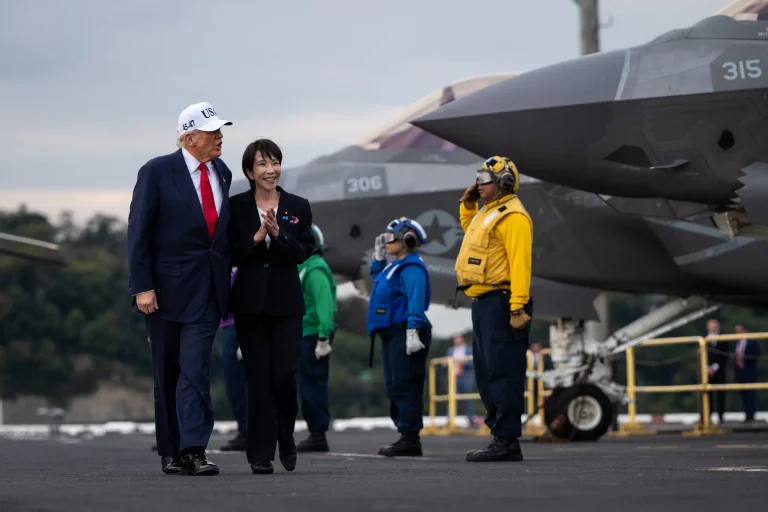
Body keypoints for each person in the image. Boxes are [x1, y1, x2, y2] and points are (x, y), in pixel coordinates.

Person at [127, 101, 233, 476]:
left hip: (207, 291)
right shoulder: (156, 171)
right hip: (164, 293)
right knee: (166, 373)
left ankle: (194, 449)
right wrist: (142, 286)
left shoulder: (223, 172)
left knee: (195, 370)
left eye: (221, 130)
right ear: (189, 137)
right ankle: (171, 451)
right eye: (213, 132)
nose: (221, 137)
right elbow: (138, 231)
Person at [228, 138, 315, 475]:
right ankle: (260, 454)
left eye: (275, 162)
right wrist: (256, 237)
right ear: (250, 171)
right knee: (258, 380)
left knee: (283, 376)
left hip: (286, 305)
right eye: (262, 164)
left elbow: (303, 252)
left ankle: (286, 436)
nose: (271, 170)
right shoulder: (236, 207)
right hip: (250, 306)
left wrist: (279, 235)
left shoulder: (298, 205)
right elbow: (230, 252)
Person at [455, 155, 533, 463]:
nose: (478, 184)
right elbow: (469, 229)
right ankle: (499, 435)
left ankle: (508, 440)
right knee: (487, 375)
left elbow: (520, 264)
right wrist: (468, 203)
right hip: (483, 304)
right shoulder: (487, 213)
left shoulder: (513, 217)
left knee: (503, 373)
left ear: (504, 183)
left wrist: (517, 307)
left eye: (484, 180)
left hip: (503, 303)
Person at [366, 217, 432, 457]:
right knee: (395, 384)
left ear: (407, 240)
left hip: (405, 330)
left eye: (390, 237)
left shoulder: (412, 267)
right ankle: (405, 434)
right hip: (393, 332)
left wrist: (413, 330)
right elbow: (379, 279)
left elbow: (415, 300)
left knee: (405, 383)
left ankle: (410, 437)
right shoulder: (396, 265)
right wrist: (378, 258)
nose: (386, 241)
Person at [295, 224, 337, 452]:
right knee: (306, 385)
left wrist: (323, 337)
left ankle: (318, 434)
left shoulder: (315, 269)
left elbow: (324, 306)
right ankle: (315, 431)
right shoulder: (304, 267)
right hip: (304, 334)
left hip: (313, 335)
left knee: (314, 385)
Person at [218, 267, 248, 451]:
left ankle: (247, 429)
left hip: (239, 327)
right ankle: (244, 427)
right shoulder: (232, 269)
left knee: (239, 383)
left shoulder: (241, 271)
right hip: (230, 327)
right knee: (233, 382)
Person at [444, 334, 475, 424]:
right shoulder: (450, 350)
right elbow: (447, 362)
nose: (457, 341)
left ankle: (470, 419)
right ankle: (449, 420)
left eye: (458, 339)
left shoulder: (469, 349)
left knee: (468, 399)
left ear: (462, 339)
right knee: (451, 399)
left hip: (466, 377)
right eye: (455, 339)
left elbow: (473, 363)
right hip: (454, 378)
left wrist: (462, 362)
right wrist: (445, 364)